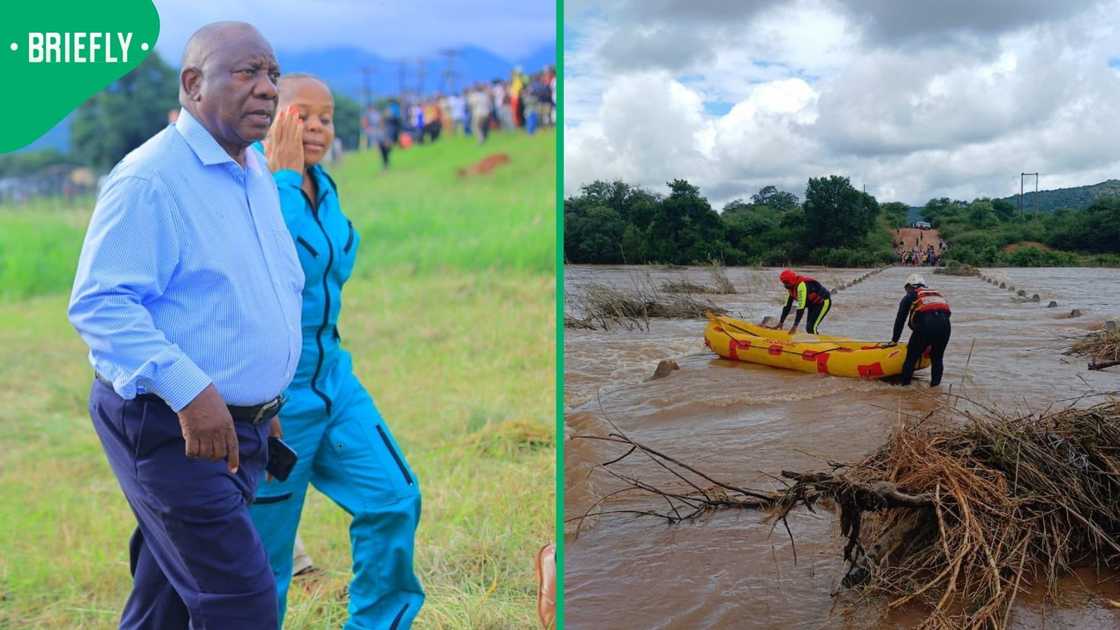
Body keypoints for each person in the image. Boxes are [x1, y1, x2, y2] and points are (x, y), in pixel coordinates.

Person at [67, 22, 298, 629]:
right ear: (194, 84)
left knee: (167, 600)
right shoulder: (150, 179)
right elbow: (101, 303)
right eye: (247, 73)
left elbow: (246, 292)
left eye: (273, 74)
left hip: (236, 429)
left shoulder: (252, 170)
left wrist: (264, 398)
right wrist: (192, 392)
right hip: (171, 426)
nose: (267, 89)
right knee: (241, 601)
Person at [253, 73, 425, 628]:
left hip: (335, 381)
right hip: (274, 399)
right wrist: (281, 180)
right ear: (274, 119)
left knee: (393, 498)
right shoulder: (251, 182)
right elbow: (275, 271)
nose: (319, 127)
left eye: (327, 117)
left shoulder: (323, 187)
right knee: (264, 562)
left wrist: (296, 180)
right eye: (303, 115)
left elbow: (337, 264)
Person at [885, 273, 951, 386]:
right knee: (937, 358)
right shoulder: (936, 294)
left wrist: (894, 340)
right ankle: (935, 388)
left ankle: (905, 388)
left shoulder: (910, 296)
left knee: (911, 358)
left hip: (925, 327)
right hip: (945, 327)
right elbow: (944, 315)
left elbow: (900, 319)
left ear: (909, 286)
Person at [774, 268, 832, 334]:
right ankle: (813, 341)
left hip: (823, 302)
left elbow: (801, 307)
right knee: (808, 328)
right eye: (784, 283)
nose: (785, 285)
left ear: (792, 281)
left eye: (787, 283)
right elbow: (787, 306)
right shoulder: (790, 288)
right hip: (812, 304)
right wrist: (781, 322)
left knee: (811, 328)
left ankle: (816, 343)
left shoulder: (802, 286)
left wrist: (795, 326)